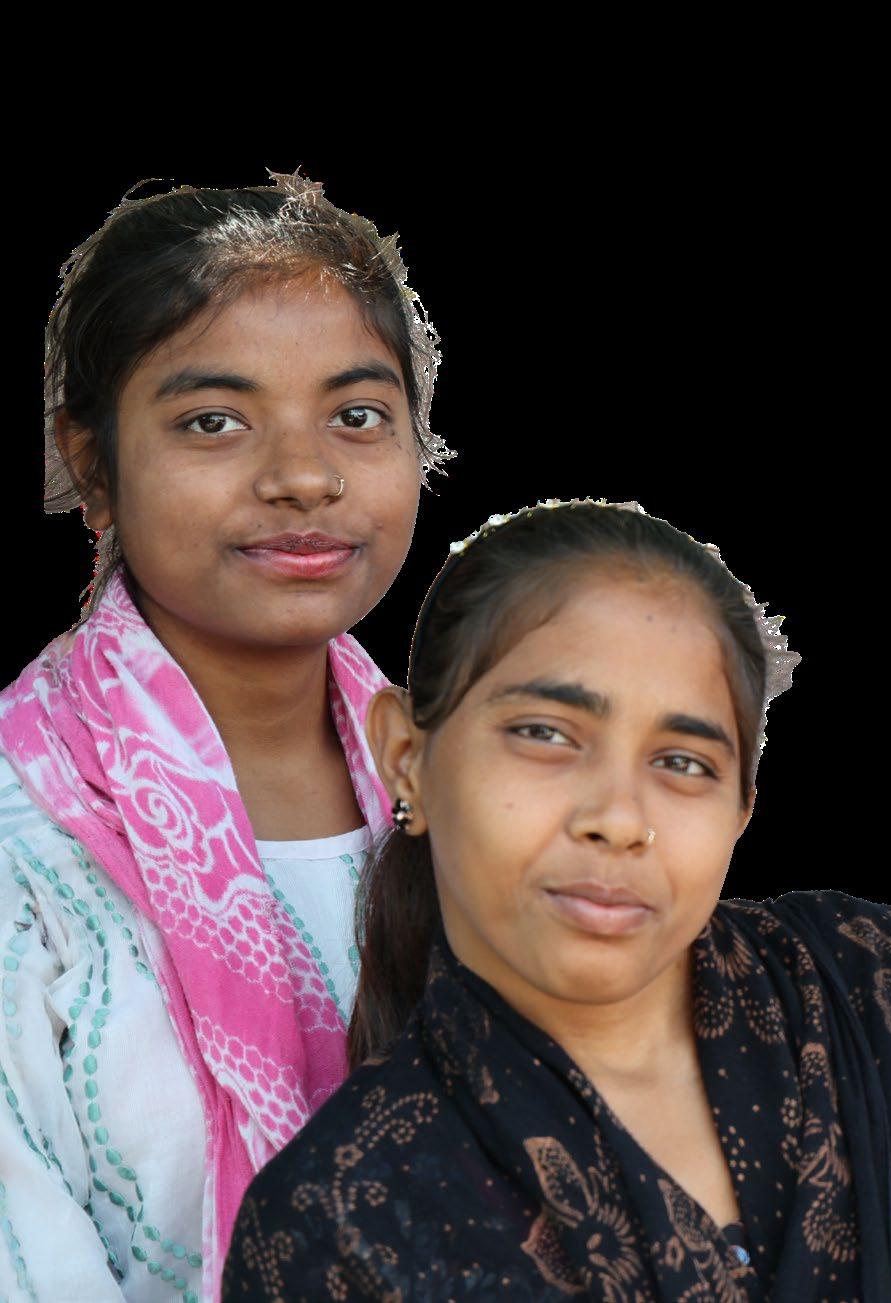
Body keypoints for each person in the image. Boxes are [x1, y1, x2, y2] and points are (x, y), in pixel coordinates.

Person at [222, 498, 891, 1302]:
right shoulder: (334, 1222)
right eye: (544, 733)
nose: (616, 817)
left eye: (682, 762)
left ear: (741, 809)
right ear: (406, 756)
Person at [0, 168, 455, 1302]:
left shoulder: (481, 791)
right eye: (214, 421)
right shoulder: (23, 836)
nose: (304, 476)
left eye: (357, 416)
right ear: (92, 459)